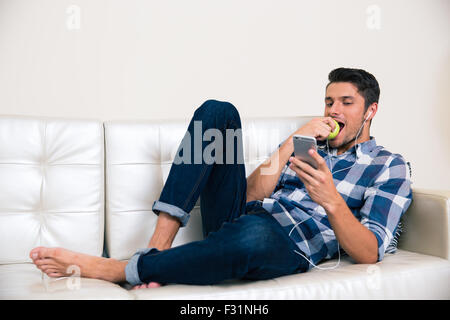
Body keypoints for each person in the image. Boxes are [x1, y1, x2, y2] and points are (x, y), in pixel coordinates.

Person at [29, 68, 412, 289]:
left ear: (370, 111)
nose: (335, 110)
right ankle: (158, 247)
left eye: (347, 102)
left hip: (287, 242)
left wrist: (330, 199)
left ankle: (120, 269)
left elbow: (369, 251)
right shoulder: (308, 145)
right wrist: (289, 146)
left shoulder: (388, 166)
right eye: (330, 101)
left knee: (256, 234)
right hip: (243, 217)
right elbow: (250, 194)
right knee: (218, 112)